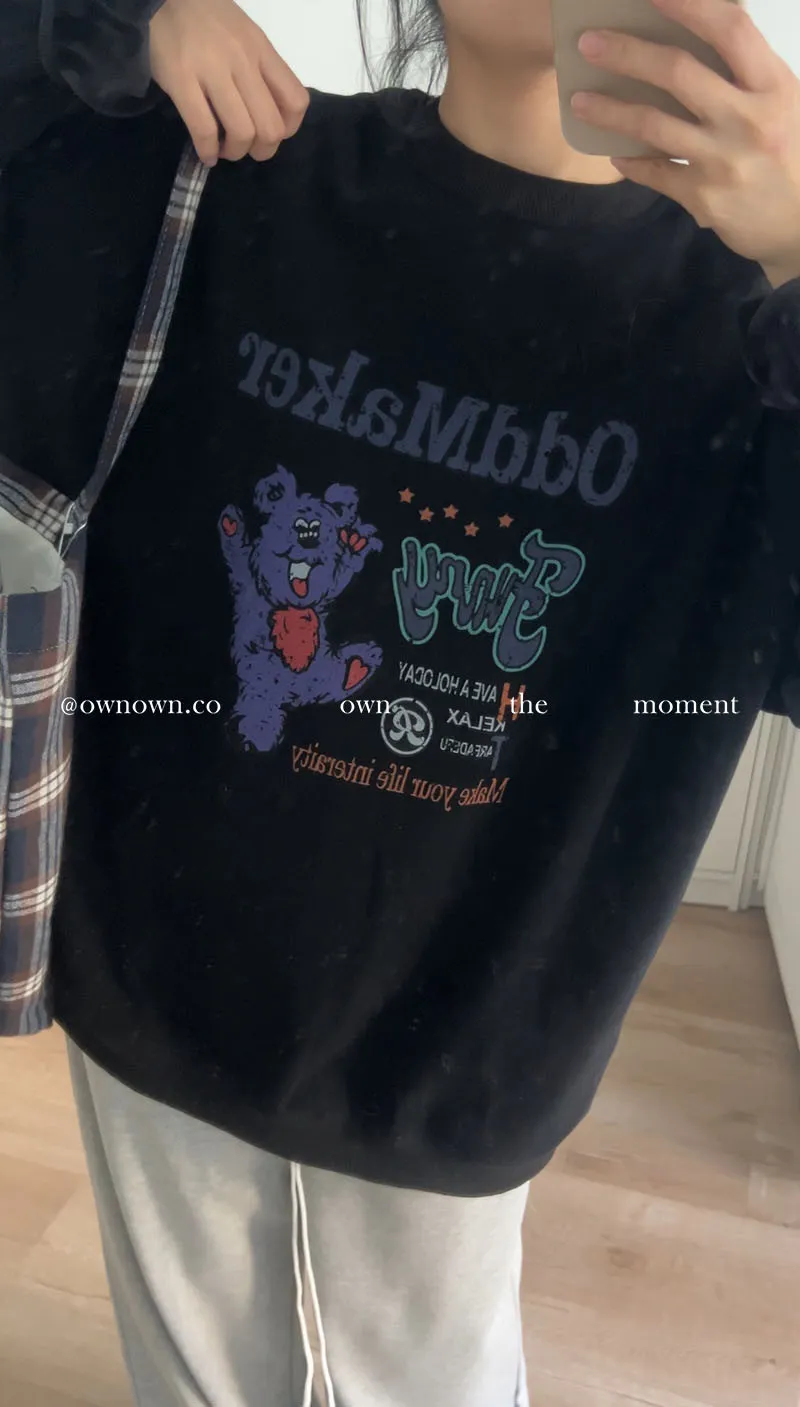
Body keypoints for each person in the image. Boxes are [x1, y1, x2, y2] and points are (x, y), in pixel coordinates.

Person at [1, 1, 799, 1404]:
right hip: (155, 969)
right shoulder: (227, 166)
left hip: (471, 1039)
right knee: (190, 1375)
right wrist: (117, 15)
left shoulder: (747, 329)